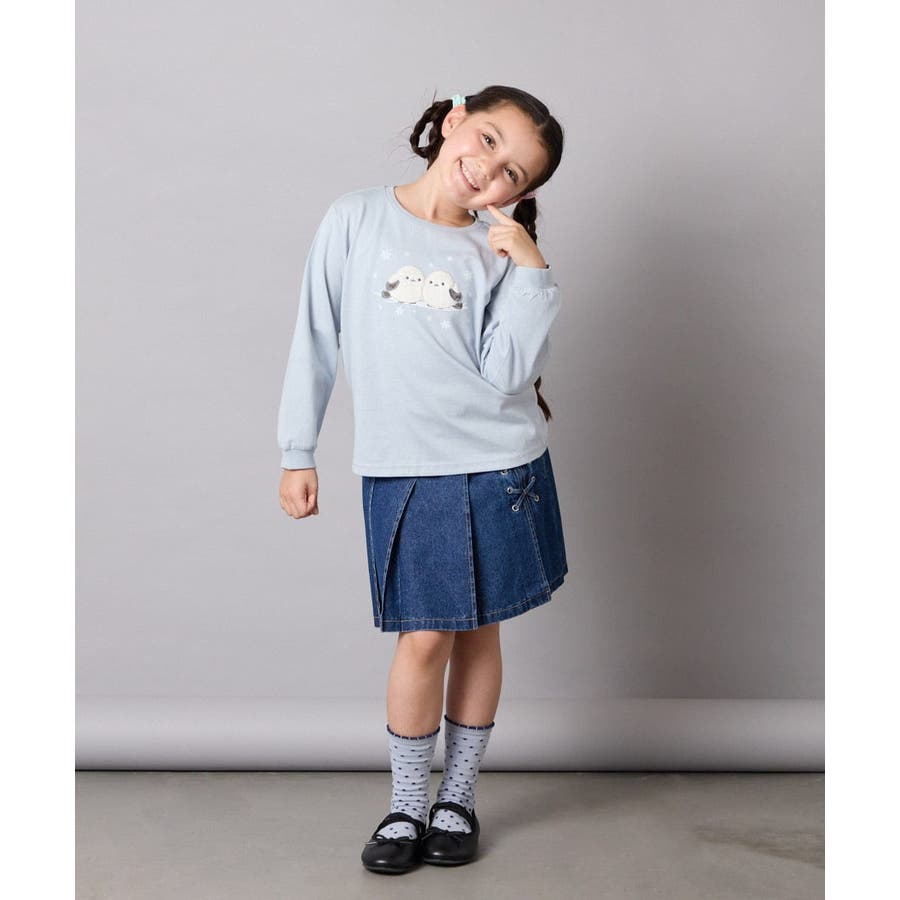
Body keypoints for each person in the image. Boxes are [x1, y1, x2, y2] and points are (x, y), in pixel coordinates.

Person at [276, 85, 569, 874]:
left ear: (520, 195)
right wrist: (297, 450)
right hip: (407, 468)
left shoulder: (498, 252)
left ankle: (456, 801)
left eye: (512, 173)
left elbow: (508, 374)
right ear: (454, 120)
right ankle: (406, 805)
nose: (488, 171)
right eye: (487, 141)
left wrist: (532, 270)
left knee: (479, 633)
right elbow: (316, 336)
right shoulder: (356, 218)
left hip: (501, 466)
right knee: (424, 637)